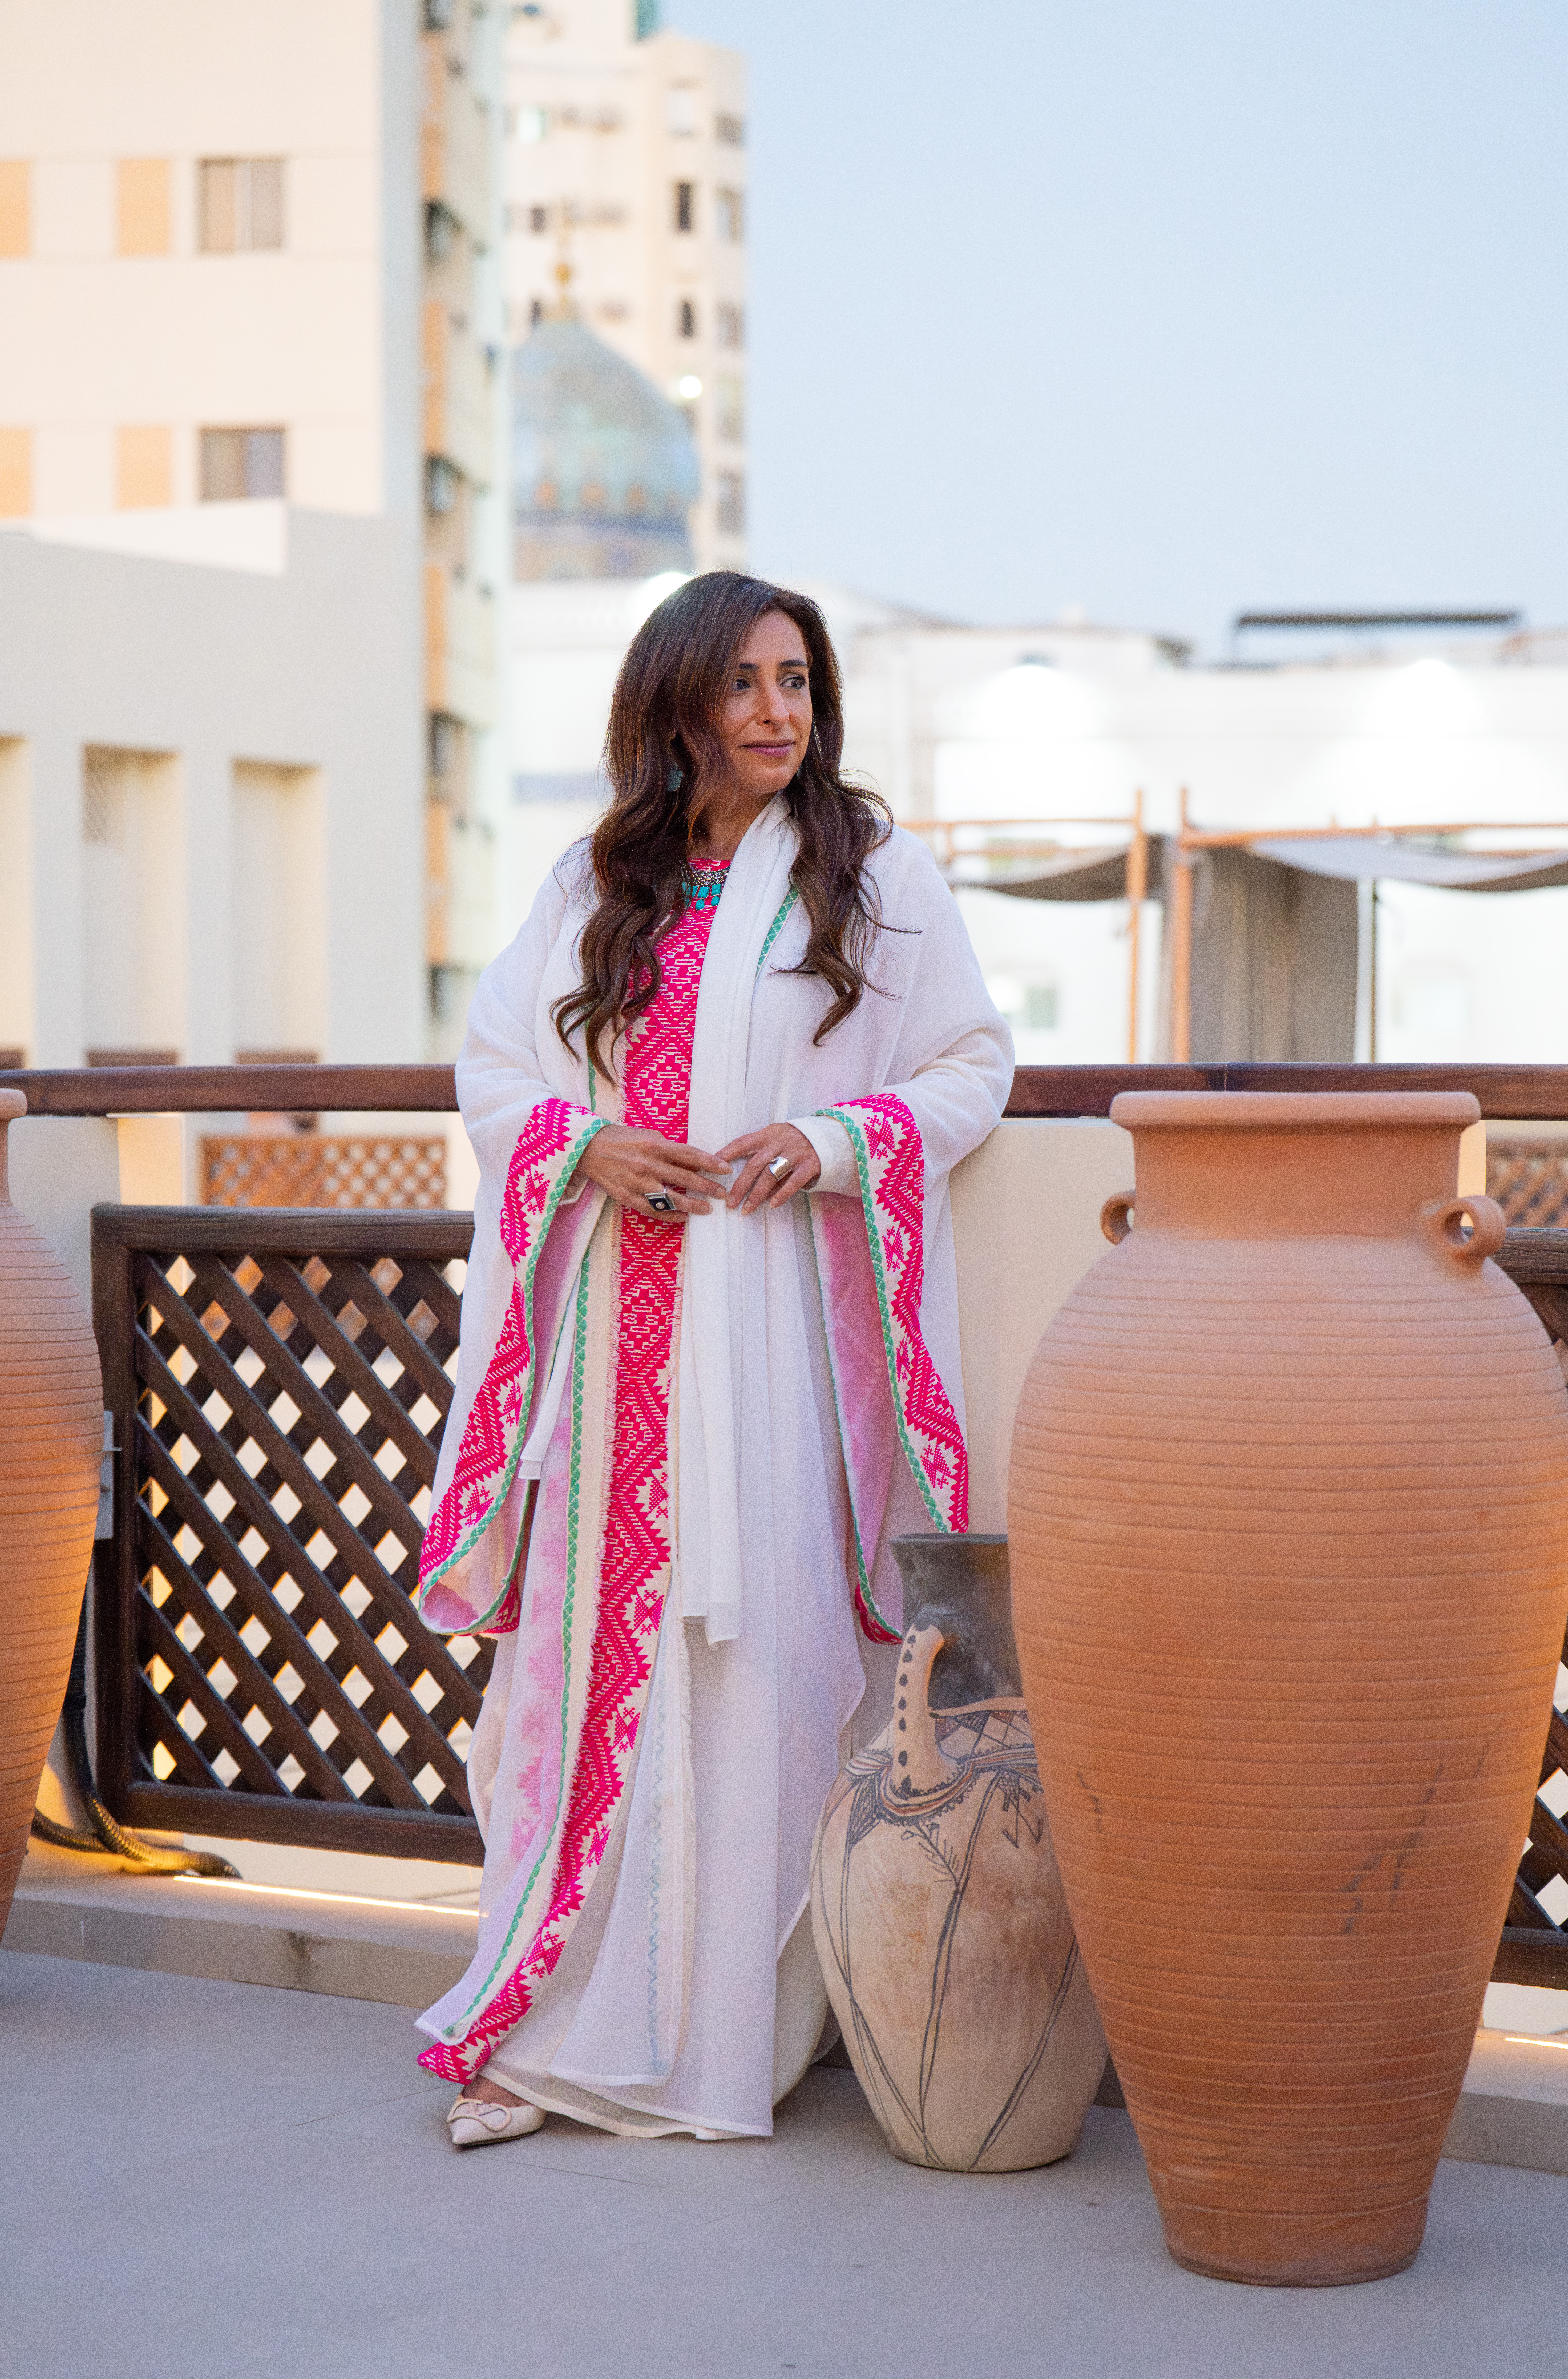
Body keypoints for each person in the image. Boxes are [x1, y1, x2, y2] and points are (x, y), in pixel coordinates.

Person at [414, 571, 1013, 2146]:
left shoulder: (866, 874)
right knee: (581, 1681)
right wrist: (584, 1146)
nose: (775, 712)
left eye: (797, 682)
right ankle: (558, 2011)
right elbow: (493, 1066)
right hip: (614, 1355)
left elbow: (971, 1065)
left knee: (762, 1668)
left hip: (766, 1337)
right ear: (678, 701)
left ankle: (730, 2039)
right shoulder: (594, 879)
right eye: (744, 682)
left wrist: (828, 1144)